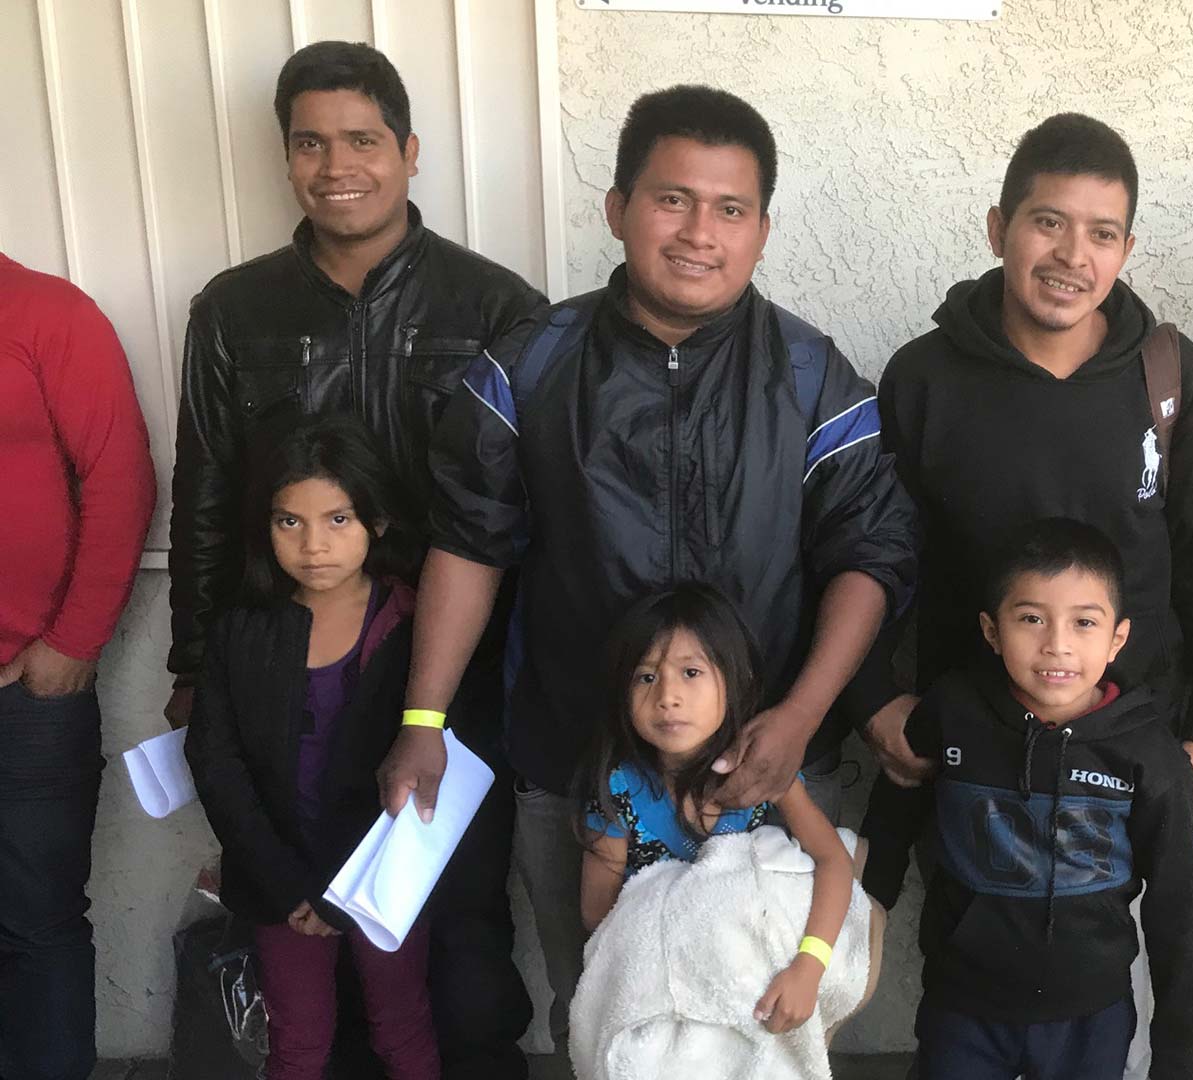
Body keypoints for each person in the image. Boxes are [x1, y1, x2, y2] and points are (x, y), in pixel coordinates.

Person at [385, 83, 915, 1064]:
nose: (698, 233)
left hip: (765, 768)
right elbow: (468, 540)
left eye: (730, 208)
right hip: (575, 762)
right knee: (601, 1009)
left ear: (762, 227)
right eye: (671, 199)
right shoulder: (531, 364)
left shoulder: (809, 375)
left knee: (760, 1023)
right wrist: (422, 721)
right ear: (619, 208)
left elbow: (869, 552)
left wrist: (797, 718)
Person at [167, 41, 544, 1075]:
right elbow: (204, 489)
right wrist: (194, 663)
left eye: (364, 139)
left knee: (459, 940)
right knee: (303, 928)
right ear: (287, 159)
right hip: (290, 677)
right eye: (311, 143)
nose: (339, 165)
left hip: (456, 676)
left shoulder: (495, 306)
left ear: (410, 150)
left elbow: (536, 500)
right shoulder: (235, 313)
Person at [859, 112, 1193, 814]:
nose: (1073, 255)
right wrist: (874, 698)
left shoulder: (1165, 374)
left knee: (1136, 927)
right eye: (1048, 223)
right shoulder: (925, 378)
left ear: (1125, 249)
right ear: (998, 228)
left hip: (1139, 748)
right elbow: (880, 554)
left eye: (1101, 234)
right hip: (975, 756)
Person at [861, 518, 1193, 1080]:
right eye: (1030, 619)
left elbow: (1178, 914)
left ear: (1117, 637)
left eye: (1084, 623)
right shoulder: (954, 712)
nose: (1057, 645)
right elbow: (897, 798)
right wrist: (862, 912)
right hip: (963, 1004)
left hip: (1089, 1014)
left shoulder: (1149, 755)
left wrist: (1180, 1056)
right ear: (991, 630)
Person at [185, 416, 437, 1080]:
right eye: (288, 522)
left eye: (338, 519)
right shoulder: (243, 629)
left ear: (376, 521)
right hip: (280, 881)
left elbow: (426, 766)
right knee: (298, 1037)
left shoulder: (413, 625)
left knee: (401, 1023)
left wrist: (349, 887)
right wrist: (286, 883)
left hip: (384, 876)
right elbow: (217, 761)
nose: (313, 545)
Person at [0, 251, 156, 1080]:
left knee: (35, 925)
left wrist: (71, 645)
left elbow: (121, 479)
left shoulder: (45, 312)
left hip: (22, 700)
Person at [578, 584, 854, 1038]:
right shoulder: (619, 789)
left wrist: (809, 966)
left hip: (757, 985)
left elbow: (833, 861)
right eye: (646, 677)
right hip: (664, 990)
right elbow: (599, 918)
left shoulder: (762, 774)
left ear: (737, 678)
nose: (667, 696)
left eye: (690, 672)